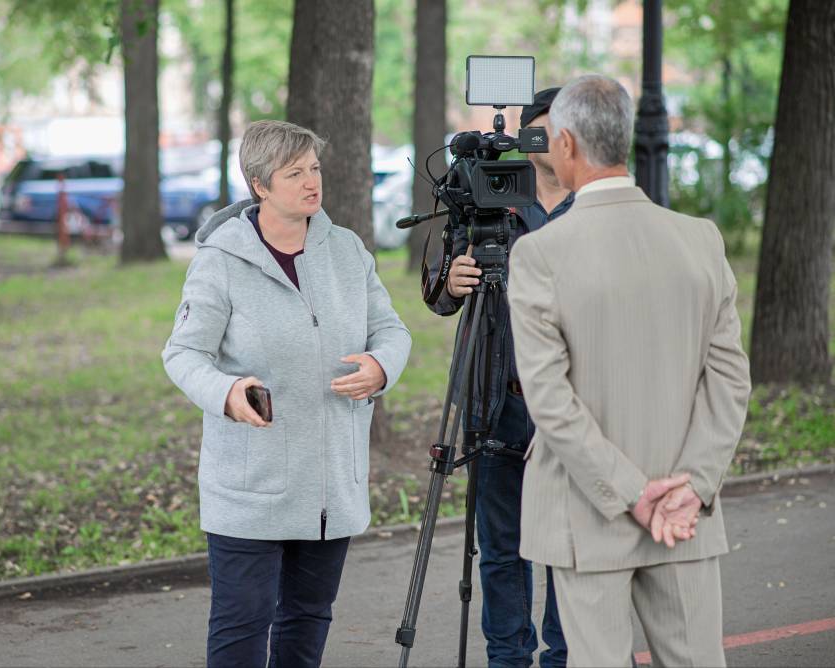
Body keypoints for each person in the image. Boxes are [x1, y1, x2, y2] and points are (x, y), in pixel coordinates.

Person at [507, 74, 752, 667]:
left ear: (564, 144)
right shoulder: (700, 239)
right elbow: (729, 381)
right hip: (685, 511)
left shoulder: (540, 253)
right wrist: (691, 485)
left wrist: (634, 495)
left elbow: (550, 401)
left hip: (586, 512)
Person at [162, 120, 412, 667]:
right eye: (294, 172)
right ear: (259, 184)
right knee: (241, 627)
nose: (310, 182)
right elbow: (183, 354)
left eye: (314, 169)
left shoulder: (347, 250)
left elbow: (391, 330)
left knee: (307, 620)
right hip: (251, 488)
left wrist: (380, 366)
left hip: (329, 487)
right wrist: (228, 393)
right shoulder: (222, 260)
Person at [429, 88, 572, 668]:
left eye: (557, 125)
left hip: (570, 400)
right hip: (496, 395)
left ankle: (565, 655)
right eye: (536, 124)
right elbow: (439, 296)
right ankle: (506, 658)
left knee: (569, 545)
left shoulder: (595, 205)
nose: (546, 134)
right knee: (501, 547)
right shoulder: (491, 195)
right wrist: (453, 278)